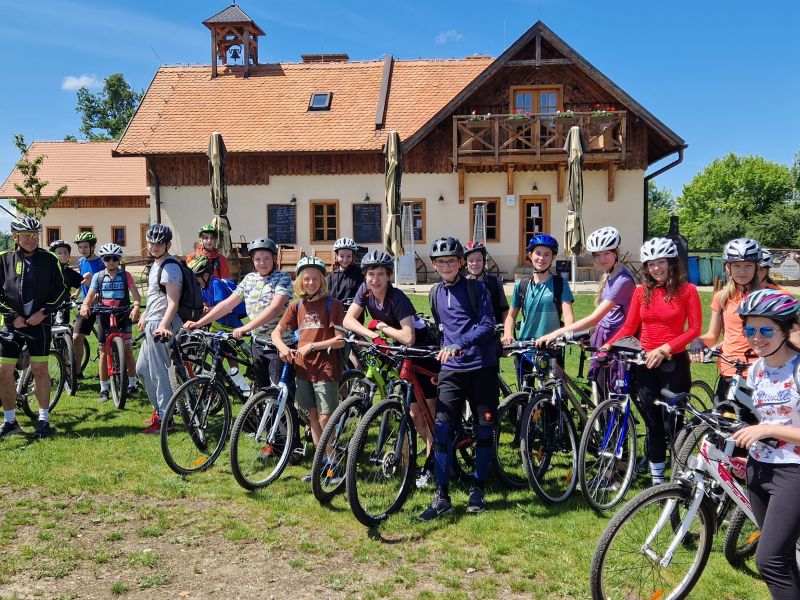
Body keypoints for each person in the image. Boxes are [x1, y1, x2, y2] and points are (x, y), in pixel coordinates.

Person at [604, 237, 702, 485]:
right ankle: (658, 483)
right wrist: (608, 345)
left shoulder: (687, 290)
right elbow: (629, 326)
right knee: (653, 424)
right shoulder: (640, 292)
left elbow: (694, 329)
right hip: (644, 363)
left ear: (671, 263)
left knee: (674, 425)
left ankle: (679, 478)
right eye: (651, 264)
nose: (656, 268)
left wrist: (666, 349)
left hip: (673, 363)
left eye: (661, 263)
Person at [342, 250, 440, 487]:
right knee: (415, 415)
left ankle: (434, 464)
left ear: (388, 277)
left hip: (422, 352)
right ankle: (431, 456)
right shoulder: (364, 291)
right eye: (371, 274)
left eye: (380, 275)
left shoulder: (398, 299)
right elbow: (348, 320)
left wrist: (382, 328)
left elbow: (409, 337)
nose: (375, 279)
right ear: (365, 276)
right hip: (400, 353)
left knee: (430, 412)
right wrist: (371, 335)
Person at [418, 236, 498, 520]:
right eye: (441, 262)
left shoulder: (478, 289)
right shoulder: (434, 293)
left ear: (462, 262)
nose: (446, 266)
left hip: (481, 367)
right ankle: (441, 495)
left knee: (483, 430)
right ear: (435, 266)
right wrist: (442, 362)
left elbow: (488, 325)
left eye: (451, 261)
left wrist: (460, 344)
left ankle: (478, 487)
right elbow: (442, 331)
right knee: (441, 431)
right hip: (451, 369)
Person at [732, 289, 800, 600]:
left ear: (786, 330)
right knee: (784, 558)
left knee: (769, 560)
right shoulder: (757, 369)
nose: (756, 338)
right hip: (759, 470)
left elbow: (770, 425)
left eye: (766, 330)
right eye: (750, 329)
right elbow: (758, 419)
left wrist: (768, 429)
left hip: (793, 474)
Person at [184, 237, 292, 391]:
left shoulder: (283, 278)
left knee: (280, 395)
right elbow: (227, 304)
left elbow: (274, 309)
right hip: (258, 344)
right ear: (252, 260)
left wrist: (245, 328)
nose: (262, 263)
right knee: (263, 392)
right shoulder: (249, 279)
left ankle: (290, 416)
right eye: (258, 259)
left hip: (278, 344)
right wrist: (198, 323)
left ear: (274, 258)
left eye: (267, 258)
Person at [272, 257, 345, 482]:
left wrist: (314, 345)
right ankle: (321, 462)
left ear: (322, 281)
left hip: (325, 368)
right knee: (312, 416)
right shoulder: (297, 306)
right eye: (306, 279)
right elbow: (277, 331)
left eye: (315, 279)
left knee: (325, 417)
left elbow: (340, 340)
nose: (311, 283)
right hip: (303, 368)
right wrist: (282, 346)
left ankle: (335, 463)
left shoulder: (332, 305)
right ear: (300, 282)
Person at [0, 216, 67, 440]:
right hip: (11, 324)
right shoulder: (4, 259)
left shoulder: (49, 259)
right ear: (15, 236)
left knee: (39, 370)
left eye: (35, 235)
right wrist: (12, 315)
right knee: (3, 372)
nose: (31, 239)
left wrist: (44, 312)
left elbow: (61, 290)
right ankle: (10, 421)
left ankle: (43, 418)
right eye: (26, 235)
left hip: (40, 323)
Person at [690, 238, 762, 400]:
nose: (742, 271)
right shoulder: (721, 298)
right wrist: (698, 341)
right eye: (737, 265)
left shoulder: (766, 298)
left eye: (748, 265)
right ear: (728, 268)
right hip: (729, 369)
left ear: (757, 267)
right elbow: (712, 336)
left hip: (759, 371)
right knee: (723, 420)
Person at [502, 233, 575, 379]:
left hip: (552, 345)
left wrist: (568, 333)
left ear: (553, 257)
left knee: (554, 394)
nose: (541, 258)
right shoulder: (521, 285)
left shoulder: (560, 284)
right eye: (538, 253)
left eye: (547, 254)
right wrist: (508, 334)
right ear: (530, 255)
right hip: (525, 347)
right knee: (525, 394)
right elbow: (511, 315)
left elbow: (568, 315)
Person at [135, 224, 183, 434]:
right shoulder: (157, 264)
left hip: (162, 324)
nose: (154, 246)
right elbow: (157, 295)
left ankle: (166, 420)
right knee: (142, 370)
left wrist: (163, 325)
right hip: (153, 321)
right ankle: (160, 410)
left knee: (159, 373)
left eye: (159, 243)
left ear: (168, 244)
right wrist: (146, 314)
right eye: (151, 243)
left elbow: (173, 301)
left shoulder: (170, 267)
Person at [80, 243, 141, 403]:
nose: (111, 261)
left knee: (128, 350)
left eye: (115, 258)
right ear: (103, 260)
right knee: (103, 353)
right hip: (104, 314)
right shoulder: (98, 276)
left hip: (122, 313)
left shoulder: (125, 275)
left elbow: (136, 295)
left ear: (119, 259)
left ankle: (133, 385)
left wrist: (135, 307)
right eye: (107, 258)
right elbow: (91, 294)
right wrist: (86, 305)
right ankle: (104, 388)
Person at [187, 255, 249, 393]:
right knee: (219, 355)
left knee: (231, 356)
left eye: (197, 279)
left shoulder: (216, 284)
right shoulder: (203, 287)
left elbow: (222, 306)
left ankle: (241, 386)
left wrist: (209, 310)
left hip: (229, 324)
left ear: (206, 275)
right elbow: (207, 305)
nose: (196, 283)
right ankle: (221, 383)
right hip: (217, 326)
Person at [72, 231, 103, 377]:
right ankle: (77, 371)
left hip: (102, 305)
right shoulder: (81, 261)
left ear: (93, 246)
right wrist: (77, 293)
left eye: (85, 247)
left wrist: (98, 293)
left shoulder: (102, 262)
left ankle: (104, 371)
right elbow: (81, 280)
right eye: (80, 247)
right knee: (77, 336)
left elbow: (107, 281)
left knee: (104, 339)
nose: (82, 250)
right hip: (87, 305)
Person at [463, 241, 508, 325]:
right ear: (466, 263)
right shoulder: (462, 284)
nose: (475, 263)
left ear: (484, 261)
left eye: (479, 260)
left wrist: (506, 332)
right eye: (471, 260)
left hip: (493, 331)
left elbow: (504, 310)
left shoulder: (495, 282)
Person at [49, 240, 84, 323]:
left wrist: (77, 293)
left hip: (65, 305)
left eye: (65, 252)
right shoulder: (46, 272)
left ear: (69, 255)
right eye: (59, 253)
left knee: (63, 330)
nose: (63, 255)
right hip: (48, 307)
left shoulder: (70, 272)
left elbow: (83, 283)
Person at [326, 237, 364, 305]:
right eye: (341, 256)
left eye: (349, 256)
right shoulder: (331, 277)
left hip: (354, 313)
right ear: (336, 256)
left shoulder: (360, 274)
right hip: (336, 313)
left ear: (353, 256)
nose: (345, 260)